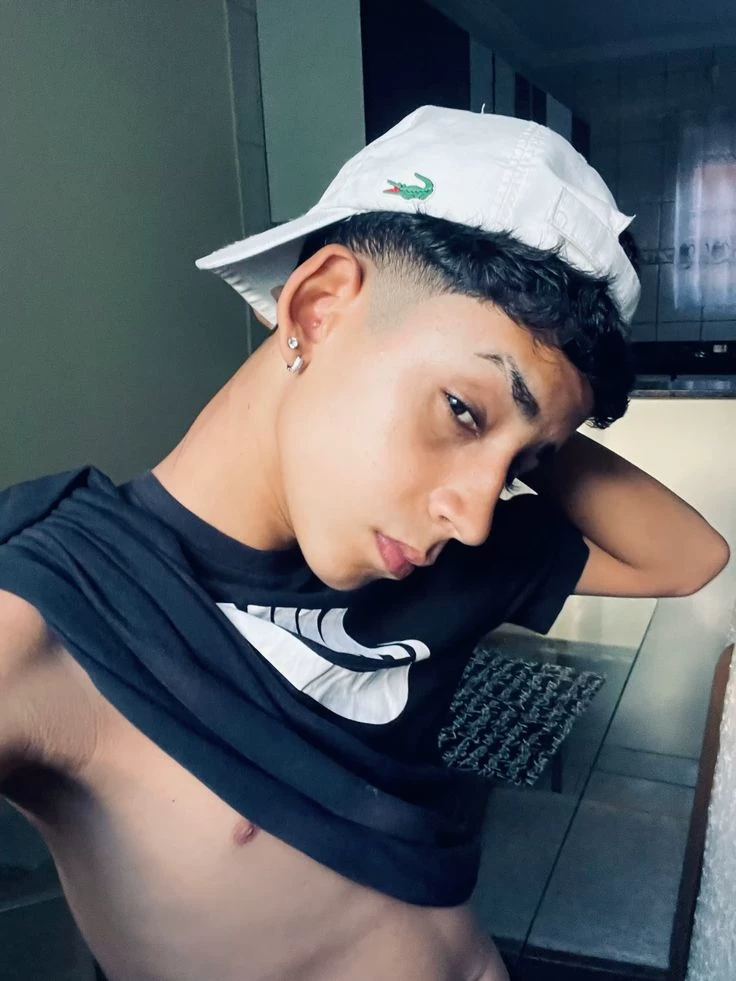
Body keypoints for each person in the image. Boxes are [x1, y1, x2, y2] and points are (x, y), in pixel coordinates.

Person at [0, 106, 729, 981]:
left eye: (520, 467)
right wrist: (518, 412)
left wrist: (530, 424)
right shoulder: (59, 603)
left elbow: (688, 558)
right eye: (460, 410)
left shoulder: (438, 551)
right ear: (318, 308)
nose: (475, 515)